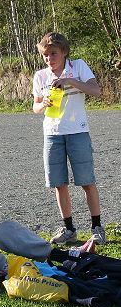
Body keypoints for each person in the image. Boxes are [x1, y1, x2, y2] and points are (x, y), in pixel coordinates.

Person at [32, 31, 106, 245]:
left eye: (53, 54)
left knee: (87, 181)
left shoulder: (79, 66)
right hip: (52, 134)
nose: (49, 59)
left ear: (64, 52)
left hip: (78, 131)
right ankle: (69, 228)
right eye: (45, 55)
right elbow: (35, 107)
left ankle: (97, 227)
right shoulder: (41, 76)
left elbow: (96, 90)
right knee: (59, 183)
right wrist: (42, 104)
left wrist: (71, 81)